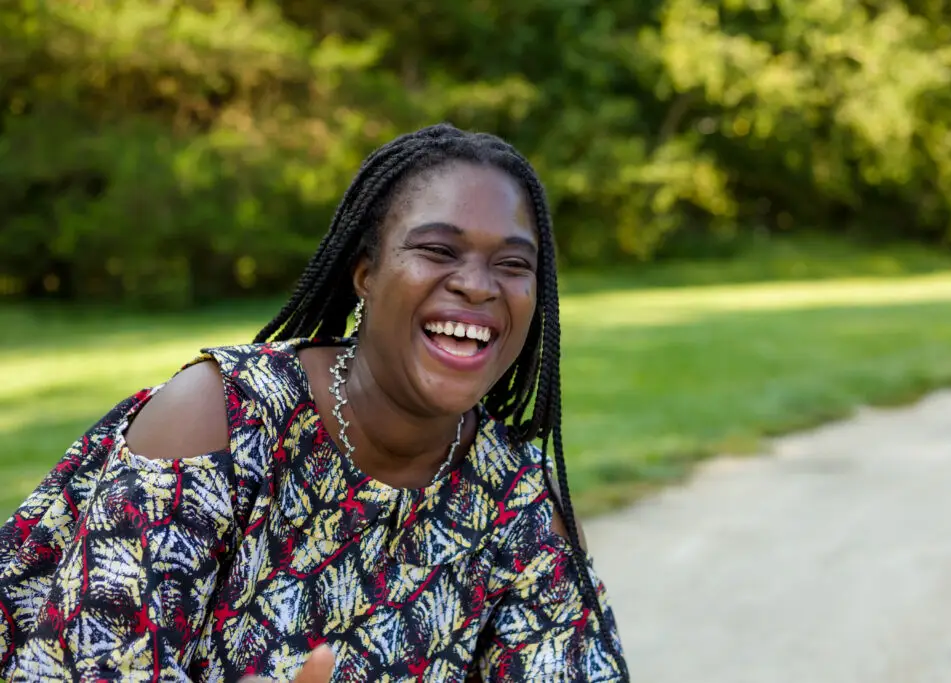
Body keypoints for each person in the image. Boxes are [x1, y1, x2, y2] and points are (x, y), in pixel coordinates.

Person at [0, 124, 630, 682]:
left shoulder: (521, 507)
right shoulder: (222, 419)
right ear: (366, 272)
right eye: (438, 250)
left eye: (513, 263)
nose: (476, 284)